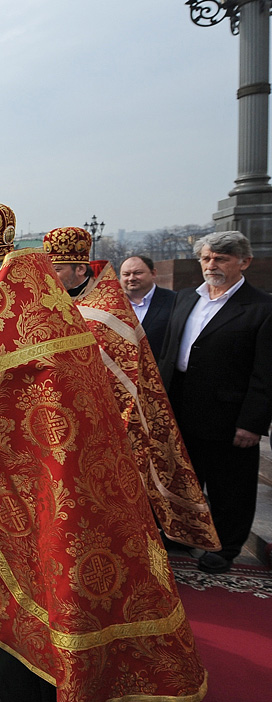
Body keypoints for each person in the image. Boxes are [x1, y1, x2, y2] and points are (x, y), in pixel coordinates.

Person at [0, 202, 206, 702]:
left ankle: (61, 693)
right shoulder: (56, 311)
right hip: (91, 481)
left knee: (60, 579)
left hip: (48, 484)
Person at [45, 229, 220, 552]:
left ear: (80, 269)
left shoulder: (108, 306)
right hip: (63, 417)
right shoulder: (49, 303)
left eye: (56, 270)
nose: (50, 277)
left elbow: (124, 368)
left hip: (109, 418)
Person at [159, 230, 272, 574]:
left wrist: (252, 422)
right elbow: (168, 353)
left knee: (230, 488)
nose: (212, 265)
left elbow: (266, 372)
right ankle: (183, 534)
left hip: (229, 415)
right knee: (184, 478)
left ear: (244, 262)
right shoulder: (185, 299)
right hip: (181, 406)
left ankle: (225, 548)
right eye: (207, 258)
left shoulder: (262, 307)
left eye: (221, 258)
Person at [119, 255, 176, 359]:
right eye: (126, 274)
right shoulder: (112, 304)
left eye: (138, 273)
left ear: (153, 273)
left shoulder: (174, 301)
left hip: (160, 371)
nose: (131, 278)